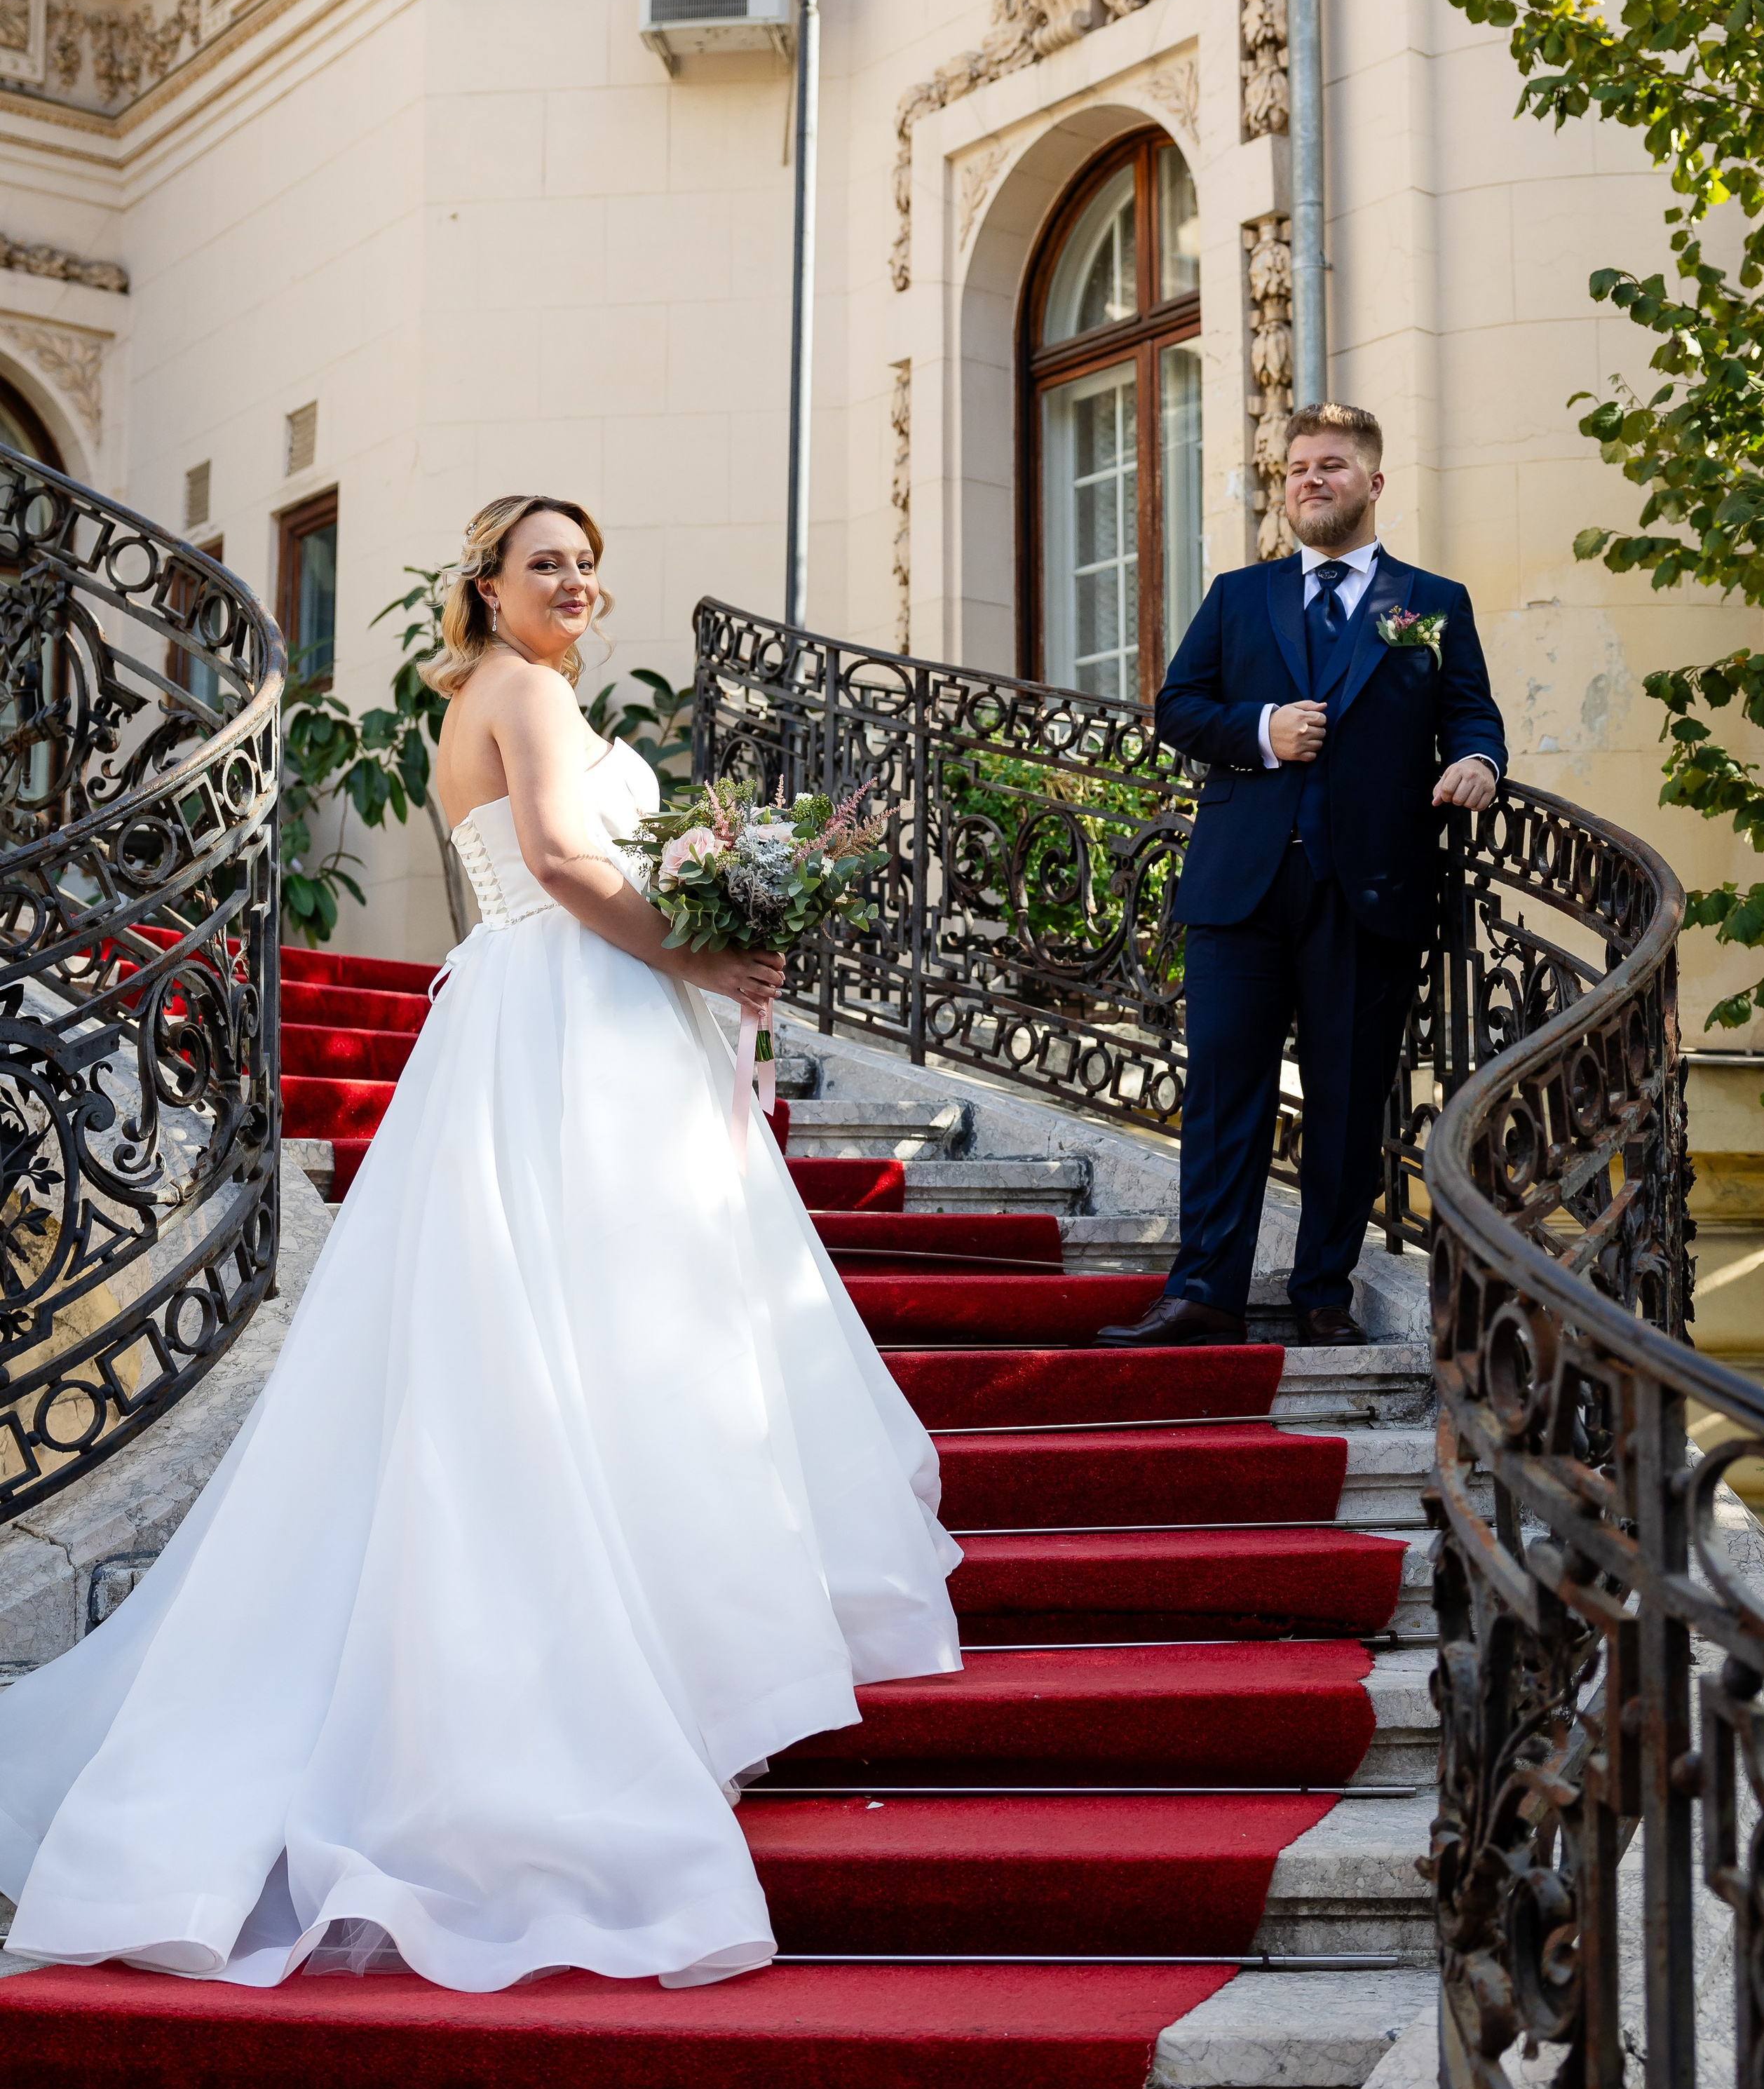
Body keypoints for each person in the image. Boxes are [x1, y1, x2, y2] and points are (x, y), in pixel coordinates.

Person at [0, 494, 961, 1992]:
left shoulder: (524, 690)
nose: (574, 583)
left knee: (622, 1328)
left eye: (586, 562)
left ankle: (668, 1656)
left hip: (580, 1013)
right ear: (488, 589)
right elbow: (569, 871)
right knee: (585, 1332)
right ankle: (610, 1695)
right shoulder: (514, 692)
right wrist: (702, 948)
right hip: (562, 1012)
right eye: (544, 565)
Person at [1098, 404, 1506, 1353]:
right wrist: (1262, 730)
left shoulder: (1428, 601)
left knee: (1348, 1098)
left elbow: (1470, 713)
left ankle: (1324, 1293)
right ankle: (1204, 1291)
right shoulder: (1240, 596)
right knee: (1223, 1092)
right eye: (1294, 470)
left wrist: (1480, 763)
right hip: (1241, 888)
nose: (1309, 481)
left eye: (1330, 465)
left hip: (1369, 890)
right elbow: (1180, 707)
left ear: (1372, 481)